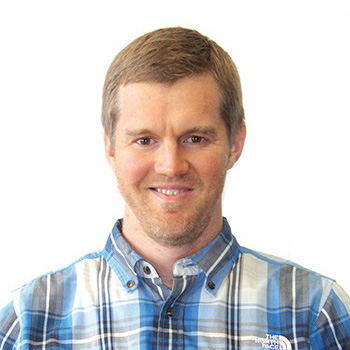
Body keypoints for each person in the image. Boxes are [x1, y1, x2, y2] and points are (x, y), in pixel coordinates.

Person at [0, 27, 349, 350]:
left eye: (195, 138)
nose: (170, 165)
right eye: (145, 140)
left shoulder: (313, 314)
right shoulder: (31, 322)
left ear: (235, 143)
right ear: (111, 148)